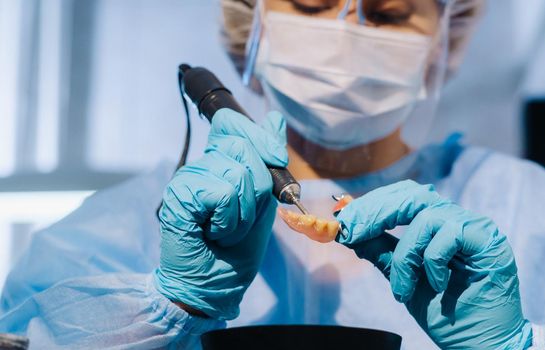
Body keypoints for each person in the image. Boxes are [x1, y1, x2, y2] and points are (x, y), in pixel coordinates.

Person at [1, 0, 545, 348]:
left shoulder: (526, 208)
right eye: (311, 3)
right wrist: (171, 305)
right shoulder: (112, 233)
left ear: (444, 40)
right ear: (251, 25)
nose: (345, 35)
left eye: (388, 14)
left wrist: (514, 346)